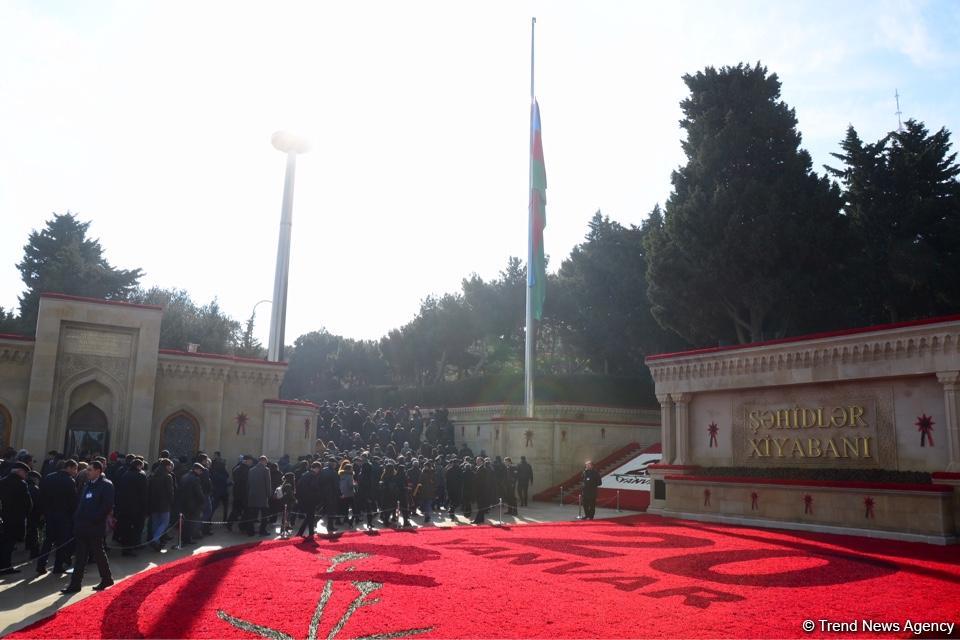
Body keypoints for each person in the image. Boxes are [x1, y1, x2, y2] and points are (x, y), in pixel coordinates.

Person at [62, 460, 114, 593]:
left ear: (98, 471)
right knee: (80, 556)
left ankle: (106, 578)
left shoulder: (106, 485)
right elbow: (82, 503)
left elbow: (106, 506)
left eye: (90, 470)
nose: (87, 472)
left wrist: (93, 519)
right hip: (82, 526)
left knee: (98, 554)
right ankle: (75, 584)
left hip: (94, 527)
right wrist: (77, 518)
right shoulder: (88, 484)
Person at [36, 459, 78, 574]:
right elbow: (73, 501)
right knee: (62, 542)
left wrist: (43, 512)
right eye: (75, 468)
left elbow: (41, 496)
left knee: (48, 540)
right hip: (64, 516)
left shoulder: (49, 477)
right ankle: (58, 566)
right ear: (68, 467)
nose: (76, 471)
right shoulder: (70, 481)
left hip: (49, 514)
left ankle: (41, 565)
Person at [0, 462, 33, 574]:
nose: (26, 475)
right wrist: (26, 514)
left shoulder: (2, 481)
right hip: (15, 519)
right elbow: (28, 503)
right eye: (25, 473)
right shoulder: (21, 484)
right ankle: (6, 567)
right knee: (9, 545)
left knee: (3, 542)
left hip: (3, 517)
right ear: (19, 471)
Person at [116, 458, 148, 556]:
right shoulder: (141, 475)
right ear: (139, 466)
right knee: (135, 528)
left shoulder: (125, 474)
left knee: (126, 527)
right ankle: (131, 547)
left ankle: (125, 547)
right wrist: (145, 507)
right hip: (136, 507)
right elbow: (144, 493)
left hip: (124, 506)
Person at [147, 458, 175, 551]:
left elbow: (149, 490)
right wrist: (172, 502)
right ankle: (155, 539)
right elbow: (170, 492)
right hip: (164, 504)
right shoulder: (168, 476)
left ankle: (157, 541)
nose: (171, 468)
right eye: (170, 465)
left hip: (153, 503)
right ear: (167, 466)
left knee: (156, 522)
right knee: (164, 522)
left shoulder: (153, 475)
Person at [178, 463, 206, 545]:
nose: (201, 473)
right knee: (191, 523)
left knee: (186, 522)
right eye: (200, 471)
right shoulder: (195, 479)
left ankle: (184, 538)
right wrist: (202, 501)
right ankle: (188, 539)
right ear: (196, 469)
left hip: (184, 503)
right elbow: (199, 493)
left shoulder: (185, 476)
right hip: (193, 505)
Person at [244, 456, 273, 536]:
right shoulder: (266, 470)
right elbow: (268, 484)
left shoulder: (251, 470)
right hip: (262, 496)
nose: (266, 464)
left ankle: (250, 531)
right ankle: (262, 530)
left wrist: (248, 494)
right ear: (264, 461)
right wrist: (269, 495)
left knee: (252, 515)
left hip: (252, 495)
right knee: (264, 515)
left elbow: (248, 484)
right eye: (266, 462)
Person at [295, 462, 322, 537]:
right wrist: (318, 497)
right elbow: (314, 488)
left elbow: (298, 485)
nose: (319, 471)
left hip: (303, 498)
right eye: (319, 469)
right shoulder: (313, 476)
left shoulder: (305, 474)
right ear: (316, 468)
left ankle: (310, 532)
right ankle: (301, 533)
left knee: (310, 516)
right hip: (311, 499)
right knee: (310, 516)